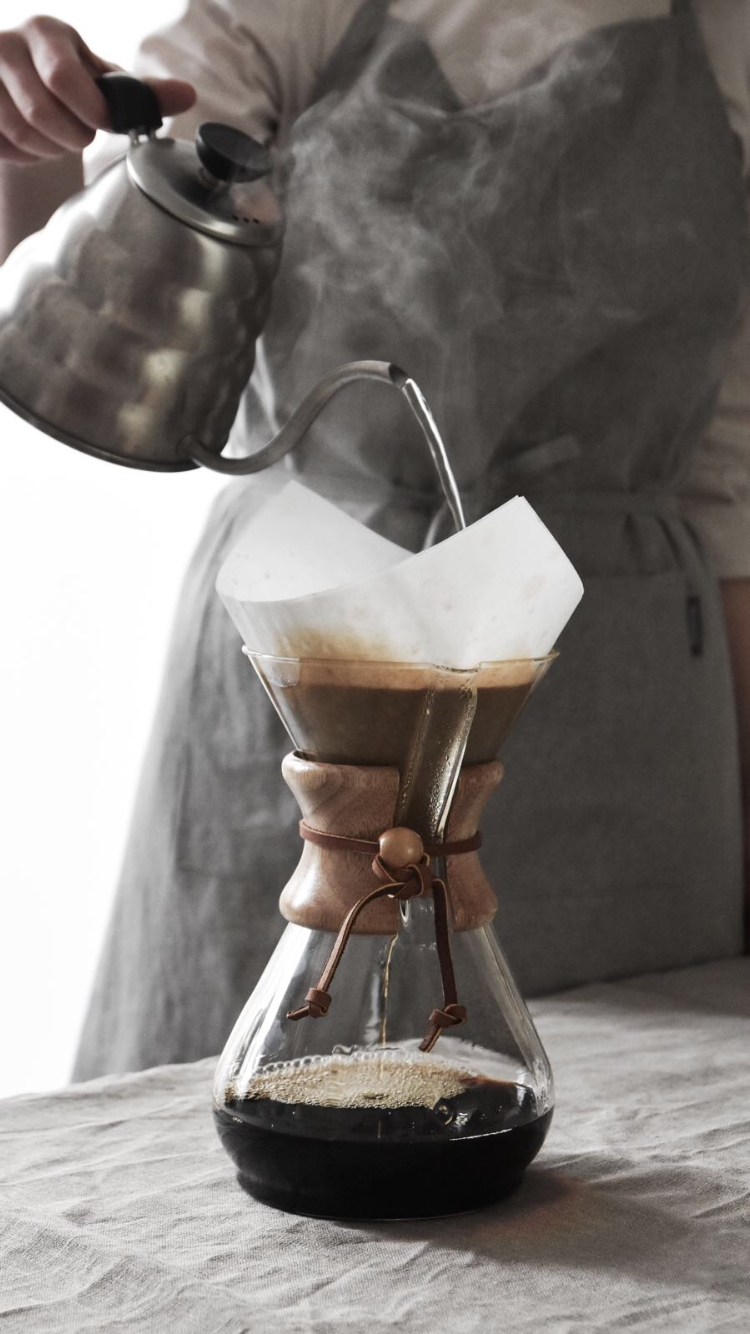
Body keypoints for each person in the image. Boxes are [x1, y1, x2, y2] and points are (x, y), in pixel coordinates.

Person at [1, 1, 748, 1080]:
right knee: (218, 1123)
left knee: (627, 1138)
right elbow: (118, 266)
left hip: (619, 705)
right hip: (306, 667)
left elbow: (733, 489)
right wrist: (33, 131)